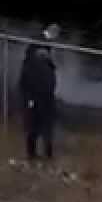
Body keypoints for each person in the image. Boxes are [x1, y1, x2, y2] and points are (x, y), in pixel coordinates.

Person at [19, 23, 60, 160]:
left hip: (44, 93)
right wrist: (30, 96)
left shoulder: (42, 47)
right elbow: (28, 75)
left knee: (44, 125)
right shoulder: (37, 46)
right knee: (35, 125)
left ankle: (45, 153)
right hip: (35, 94)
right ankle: (34, 153)